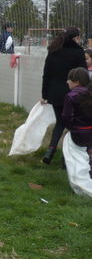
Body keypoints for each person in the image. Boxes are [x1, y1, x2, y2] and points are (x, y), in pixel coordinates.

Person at [41, 27, 87, 164]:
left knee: (60, 123)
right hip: (74, 93)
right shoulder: (78, 52)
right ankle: (66, 159)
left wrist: (44, 94)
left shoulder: (53, 51)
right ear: (75, 38)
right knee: (72, 125)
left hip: (54, 94)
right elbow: (83, 75)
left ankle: (50, 150)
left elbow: (46, 74)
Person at [62, 67, 92, 178]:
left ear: (77, 82)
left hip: (78, 132)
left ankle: (81, 179)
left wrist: (71, 128)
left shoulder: (71, 96)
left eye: (69, 79)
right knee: (89, 155)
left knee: (77, 158)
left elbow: (66, 116)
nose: (67, 82)